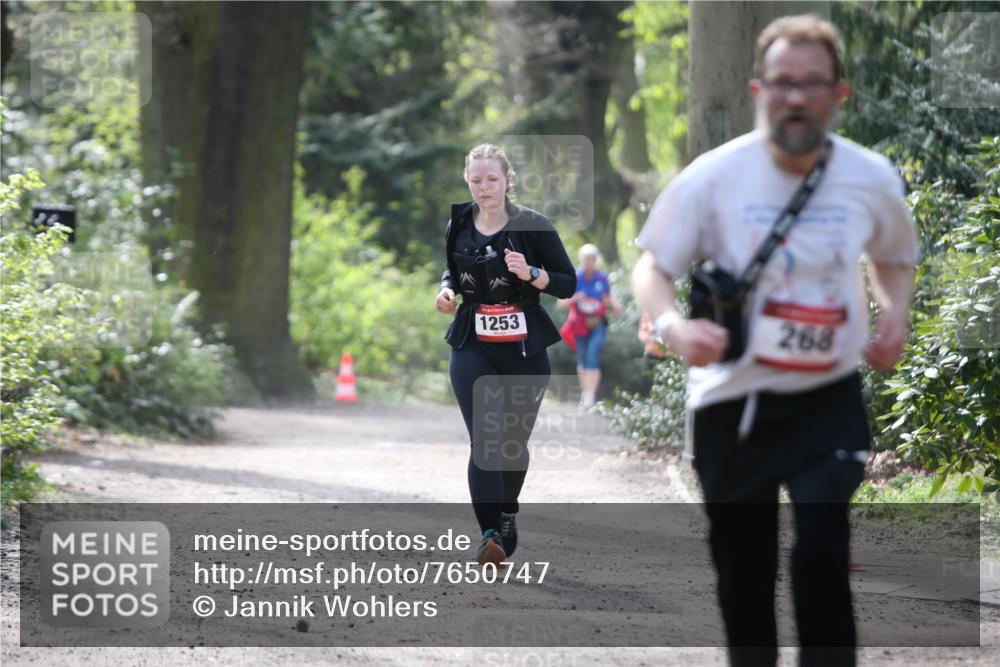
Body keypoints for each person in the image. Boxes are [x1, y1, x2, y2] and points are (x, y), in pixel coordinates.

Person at [631, 15, 917, 667]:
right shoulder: (713, 176)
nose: (796, 97)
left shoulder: (869, 177)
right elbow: (653, 266)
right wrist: (675, 326)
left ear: (839, 94)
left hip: (826, 396)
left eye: (811, 84)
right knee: (745, 579)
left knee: (820, 551)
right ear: (759, 91)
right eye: (783, 83)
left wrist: (894, 314)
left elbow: (893, 257)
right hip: (733, 402)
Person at [436, 143, 576, 566]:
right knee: (486, 440)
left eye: (491, 180)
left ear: (506, 179)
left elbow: (568, 284)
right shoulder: (458, 223)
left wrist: (532, 274)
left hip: (524, 350)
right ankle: (489, 535)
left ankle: (508, 510)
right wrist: (445, 292)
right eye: (475, 181)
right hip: (472, 345)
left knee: (511, 445)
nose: (483, 188)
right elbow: (451, 272)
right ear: (467, 181)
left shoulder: (533, 225)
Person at [557, 244, 624, 408]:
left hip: (597, 323)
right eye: (586, 258)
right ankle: (585, 393)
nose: (589, 261)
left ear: (596, 260)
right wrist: (576, 298)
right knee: (583, 359)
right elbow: (561, 304)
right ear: (581, 260)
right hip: (579, 325)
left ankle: (590, 395)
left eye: (592, 258)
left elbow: (607, 298)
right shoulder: (574, 277)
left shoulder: (602, 278)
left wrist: (616, 307)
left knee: (592, 355)